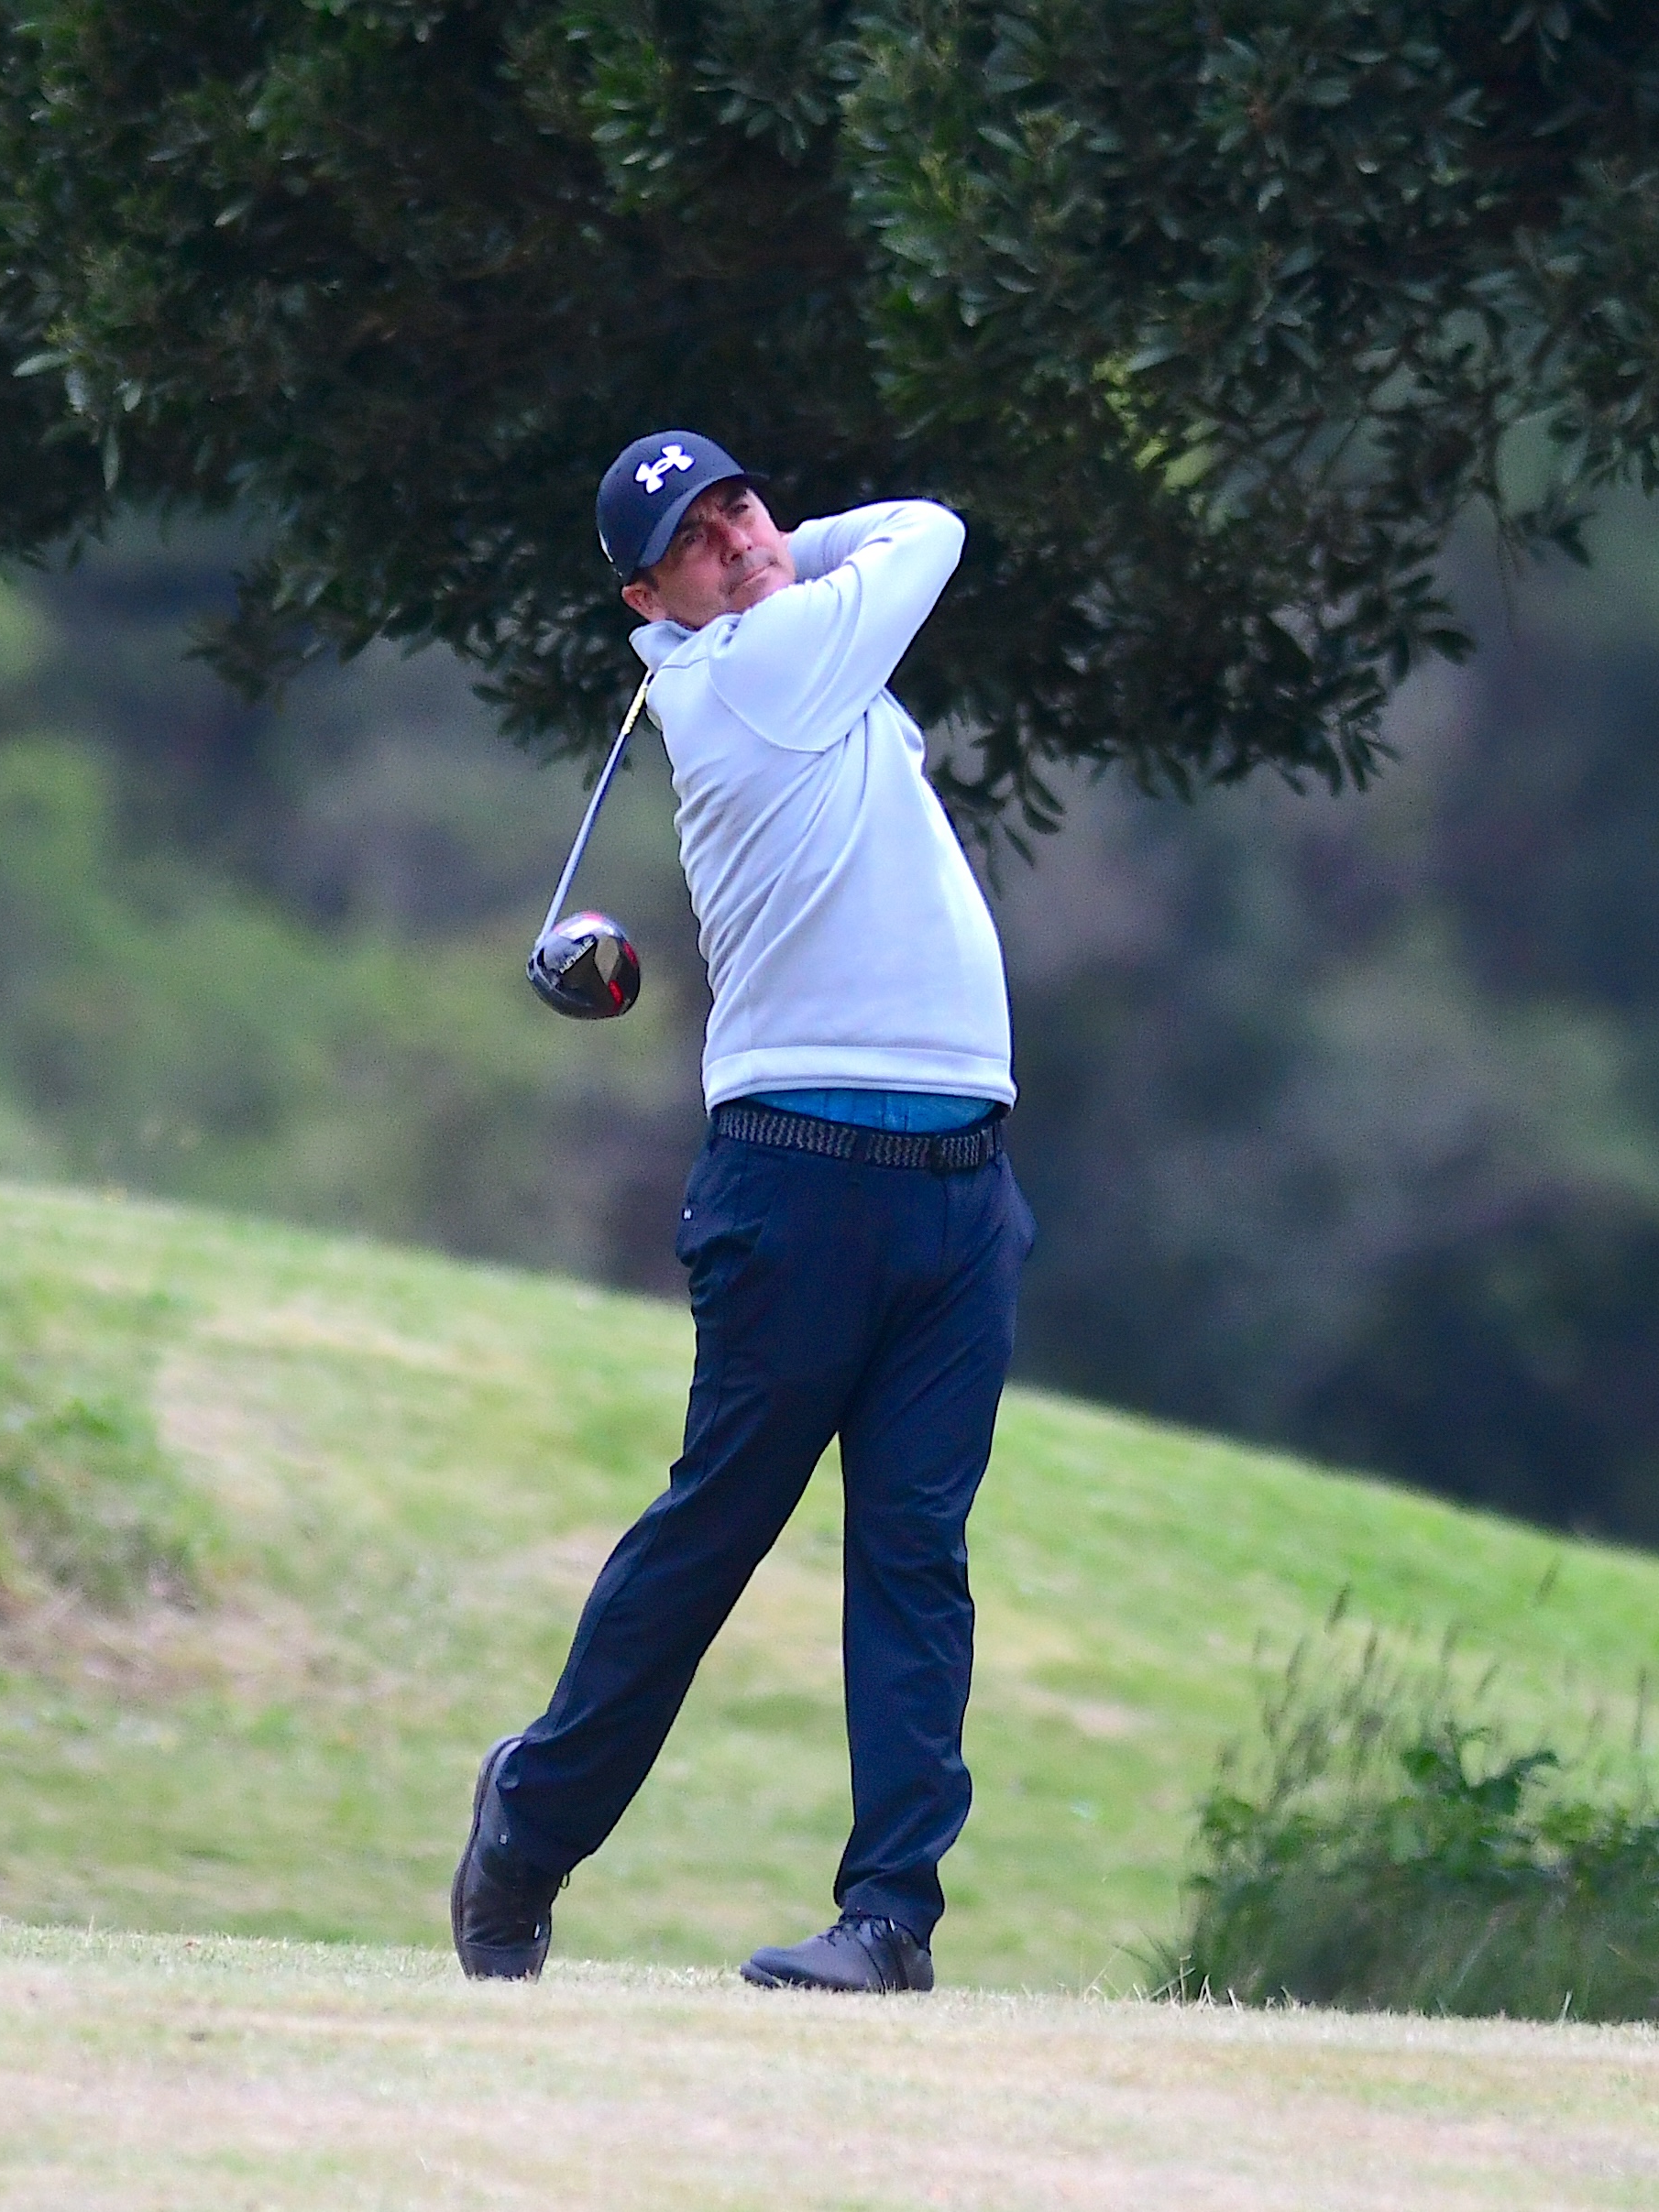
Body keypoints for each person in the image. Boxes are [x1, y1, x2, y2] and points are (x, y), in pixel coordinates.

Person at [451, 430, 1034, 1994]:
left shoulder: (789, 647)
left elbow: (864, 548)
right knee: (717, 1533)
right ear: (652, 603)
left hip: (963, 1178)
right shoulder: (755, 671)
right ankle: (530, 1819)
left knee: (917, 1553)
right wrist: (790, 561)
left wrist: (772, 548)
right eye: (695, 543)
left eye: (742, 506)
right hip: (802, 1177)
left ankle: (888, 1920)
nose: (738, 540)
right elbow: (931, 526)